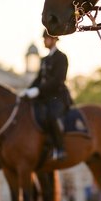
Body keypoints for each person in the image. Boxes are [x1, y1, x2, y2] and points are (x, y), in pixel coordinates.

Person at [21, 31, 72, 161]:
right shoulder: (44, 59)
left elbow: (58, 80)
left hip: (58, 97)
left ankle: (61, 149)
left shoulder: (61, 57)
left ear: (54, 39)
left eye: (46, 38)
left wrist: (38, 90)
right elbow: (39, 78)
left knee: (52, 116)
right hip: (44, 97)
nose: (44, 41)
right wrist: (27, 91)